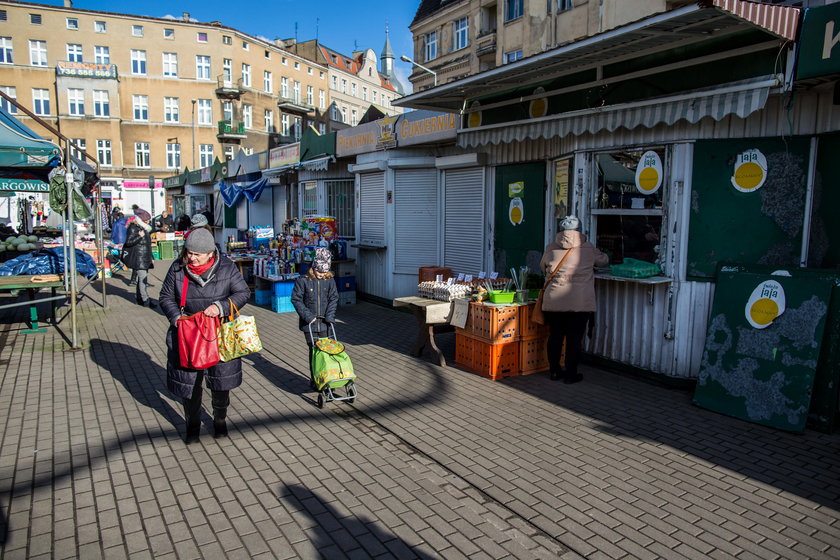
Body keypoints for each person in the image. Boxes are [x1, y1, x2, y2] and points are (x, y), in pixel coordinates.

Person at [159, 228, 251, 443]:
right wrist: (175, 317)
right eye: (189, 252)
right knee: (190, 385)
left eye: (197, 254)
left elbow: (243, 292)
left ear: (211, 253)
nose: (192, 257)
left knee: (220, 384)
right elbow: (165, 297)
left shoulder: (227, 268)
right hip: (187, 334)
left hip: (219, 336)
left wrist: (220, 307)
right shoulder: (177, 268)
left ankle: (220, 419)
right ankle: (192, 425)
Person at [539, 215, 609, 384]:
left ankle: (554, 371)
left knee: (555, 336)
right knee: (574, 339)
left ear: (560, 231)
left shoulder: (550, 247)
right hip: (580, 302)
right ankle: (571, 374)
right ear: (579, 230)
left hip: (554, 300)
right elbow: (604, 261)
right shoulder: (588, 247)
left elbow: (543, 267)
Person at [291, 247, 339, 390]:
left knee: (328, 351)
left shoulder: (329, 281)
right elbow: (296, 299)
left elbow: (333, 298)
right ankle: (315, 378)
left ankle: (329, 377)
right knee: (314, 352)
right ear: (313, 268)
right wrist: (308, 316)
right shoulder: (303, 281)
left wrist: (330, 316)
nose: (321, 275)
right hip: (310, 324)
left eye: (324, 272)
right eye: (319, 271)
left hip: (325, 323)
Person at [122, 209, 156, 308]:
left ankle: (139, 298)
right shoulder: (133, 228)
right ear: (142, 219)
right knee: (143, 279)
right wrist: (139, 237)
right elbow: (128, 242)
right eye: (147, 219)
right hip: (138, 258)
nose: (149, 221)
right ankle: (146, 300)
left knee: (141, 279)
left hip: (144, 257)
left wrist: (151, 257)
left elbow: (147, 245)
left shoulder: (144, 228)